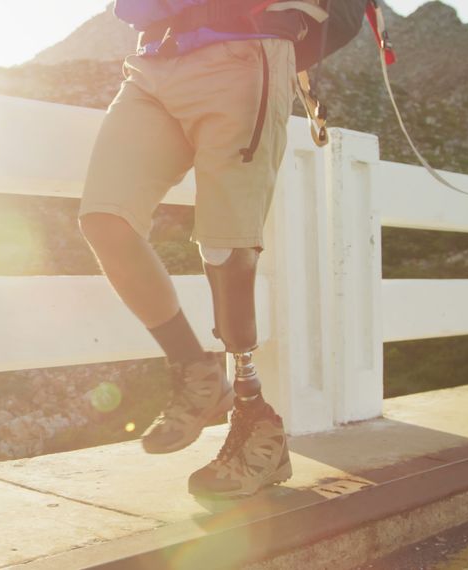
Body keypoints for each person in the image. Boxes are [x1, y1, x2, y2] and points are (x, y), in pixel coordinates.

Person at [79, 0, 308, 498]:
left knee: (226, 250)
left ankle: (257, 423)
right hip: (155, 59)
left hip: (244, 50)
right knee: (105, 217)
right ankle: (199, 371)